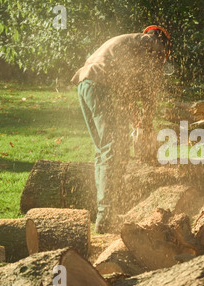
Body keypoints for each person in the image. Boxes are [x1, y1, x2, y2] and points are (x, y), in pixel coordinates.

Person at [71, 26, 171, 233]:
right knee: (114, 148)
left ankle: (104, 212)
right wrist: (147, 120)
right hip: (99, 86)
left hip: (85, 84)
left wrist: (138, 120)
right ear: (162, 44)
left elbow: (128, 90)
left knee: (103, 150)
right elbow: (146, 89)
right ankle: (106, 216)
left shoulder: (130, 43)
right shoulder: (149, 44)